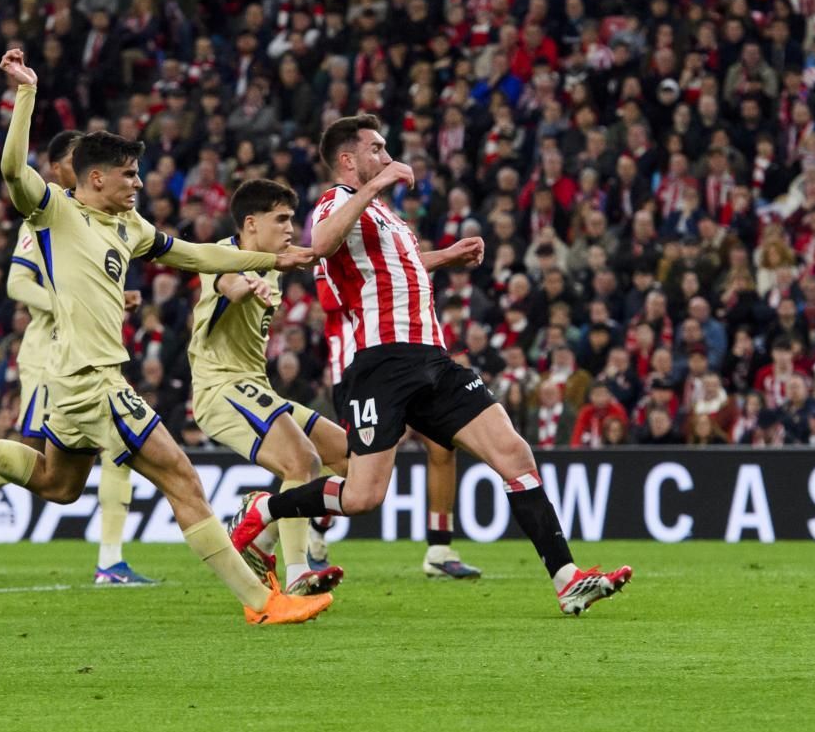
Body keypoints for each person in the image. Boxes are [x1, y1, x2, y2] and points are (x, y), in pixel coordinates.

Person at [0, 48, 330, 625]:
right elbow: (10, 172)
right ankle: (261, 602)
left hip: (72, 381)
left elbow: (191, 254)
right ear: (95, 177)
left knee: (57, 483)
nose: (138, 182)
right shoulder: (54, 211)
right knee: (181, 477)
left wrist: (272, 262)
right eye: (128, 174)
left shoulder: (129, 224)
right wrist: (26, 93)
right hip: (93, 379)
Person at [226, 113, 632, 615]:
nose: (386, 154)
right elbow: (323, 244)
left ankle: (567, 579)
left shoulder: (386, 217)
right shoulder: (338, 201)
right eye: (376, 148)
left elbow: (402, 266)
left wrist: (447, 257)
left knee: (514, 454)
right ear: (349, 160)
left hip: (433, 359)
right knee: (362, 496)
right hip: (381, 364)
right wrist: (377, 182)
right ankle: (264, 508)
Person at [0, 131, 155, 585]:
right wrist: (64, 301)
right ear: (59, 167)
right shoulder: (45, 216)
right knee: (33, 458)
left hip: (92, 352)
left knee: (113, 447)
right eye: (67, 160)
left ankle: (110, 560)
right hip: (50, 353)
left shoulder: (106, 219)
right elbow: (17, 286)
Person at [188, 178, 348, 595]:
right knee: (301, 461)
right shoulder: (222, 255)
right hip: (220, 387)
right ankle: (297, 572)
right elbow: (229, 284)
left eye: (292, 219)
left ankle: (262, 537)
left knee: (346, 455)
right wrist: (248, 283)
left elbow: (324, 254)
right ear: (251, 224)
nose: (291, 228)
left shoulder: (277, 259)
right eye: (281, 219)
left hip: (256, 389)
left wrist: (435, 260)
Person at [318, 261, 482, 579]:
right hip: (359, 370)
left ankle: (439, 548)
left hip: (409, 360)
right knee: (352, 467)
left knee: (442, 445)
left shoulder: (390, 248)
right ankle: (314, 533)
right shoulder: (333, 241)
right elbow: (331, 299)